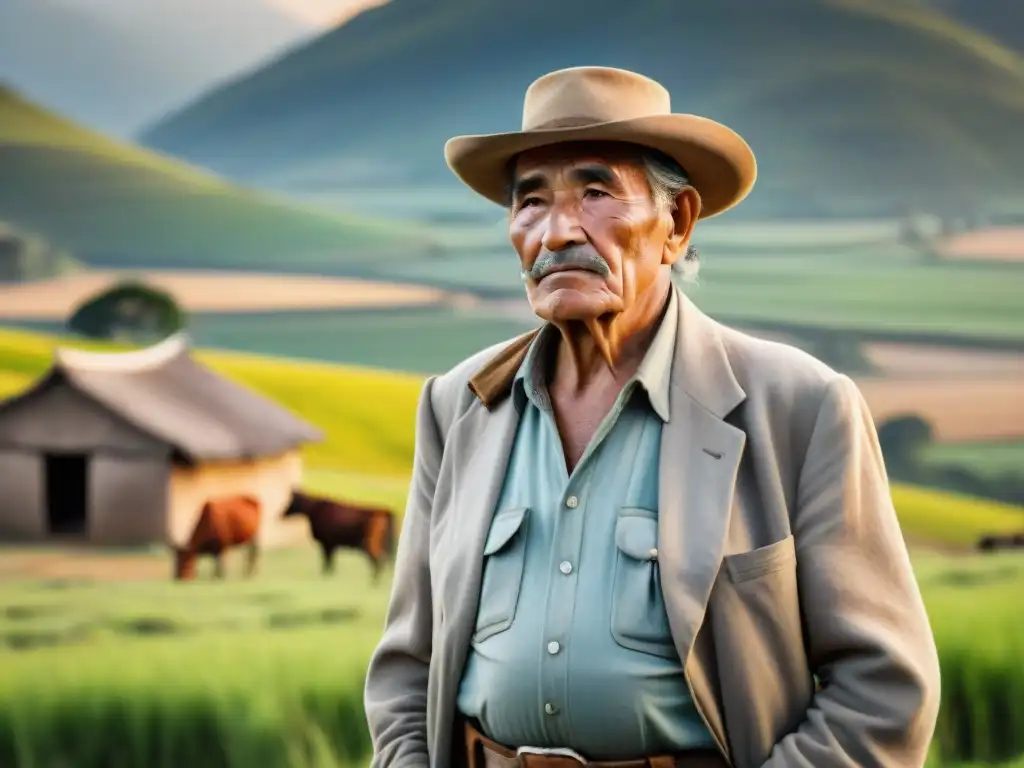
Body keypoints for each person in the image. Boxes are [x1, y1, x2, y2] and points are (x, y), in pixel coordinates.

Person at [364, 65, 941, 768]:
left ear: (677, 222)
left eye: (596, 192)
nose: (555, 233)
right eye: (532, 202)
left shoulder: (800, 408)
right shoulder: (457, 407)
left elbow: (884, 691)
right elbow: (404, 672)